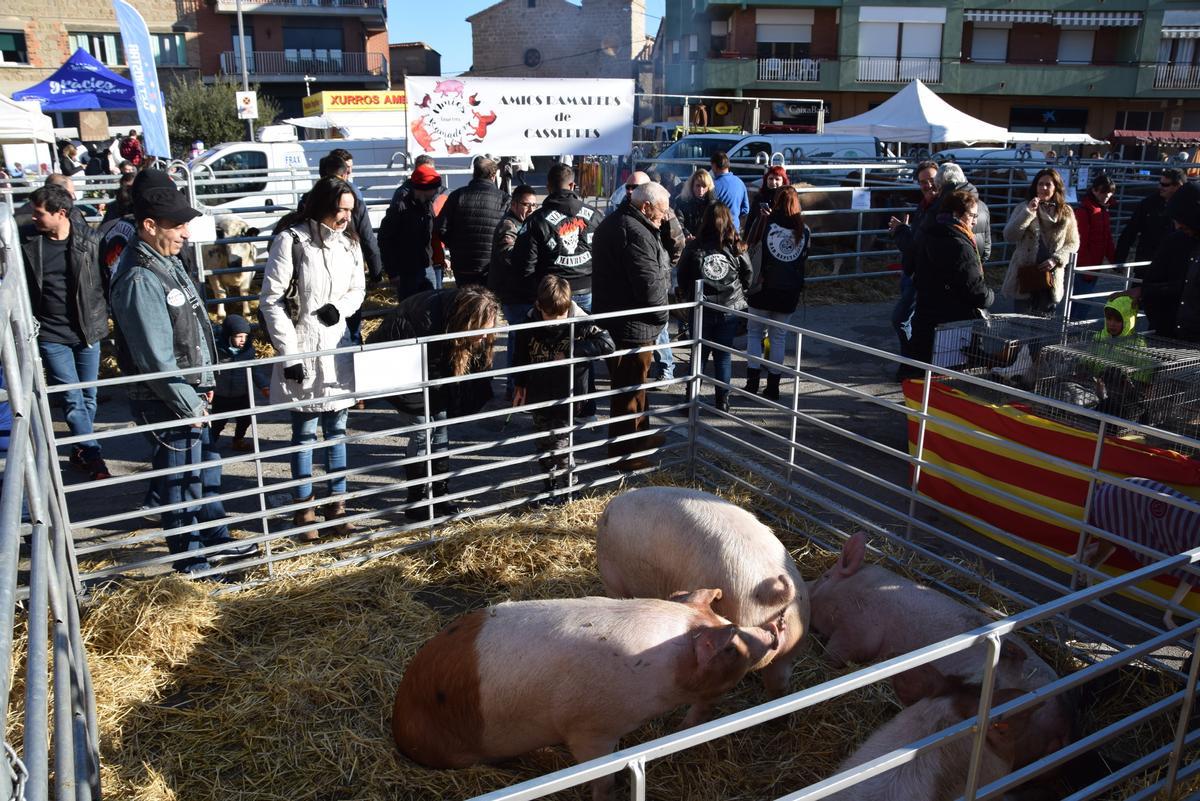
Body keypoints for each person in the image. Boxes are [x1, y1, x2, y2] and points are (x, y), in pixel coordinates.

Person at [110, 169, 255, 575]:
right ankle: (190, 562)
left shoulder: (163, 260)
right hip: (168, 399)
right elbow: (156, 358)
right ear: (150, 225)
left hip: (186, 392)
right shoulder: (140, 275)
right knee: (179, 482)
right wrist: (190, 399)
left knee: (198, 474)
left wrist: (203, 384)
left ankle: (213, 541)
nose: (187, 233)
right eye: (178, 224)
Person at [260, 177, 365, 542]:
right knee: (304, 434)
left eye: (350, 212)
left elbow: (358, 288)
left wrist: (341, 308)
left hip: (336, 347)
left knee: (337, 432)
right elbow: (271, 300)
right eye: (341, 210)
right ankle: (303, 509)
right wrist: (288, 352)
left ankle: (338, 506)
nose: (346, 219)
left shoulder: (350, 244)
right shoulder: (291, 241)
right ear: (324, 206)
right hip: (302, 344)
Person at [370, 286, 500, 520]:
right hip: (403, 368)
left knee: (440, 428)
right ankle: (417, 498)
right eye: (481, 331)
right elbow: (400, 360)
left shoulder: (460, 322)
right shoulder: (427, 320)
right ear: (468, 321)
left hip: (434, 371)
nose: (484, 337)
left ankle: (440, 493)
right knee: (422, 431)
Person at [20, 184, 110, 479]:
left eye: (38, 213)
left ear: (61, 213)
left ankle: (79, 448)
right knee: (71, 397)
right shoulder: (28, 243)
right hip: (50, 333)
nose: (33, 218)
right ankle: (94, 456)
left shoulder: (92, 241)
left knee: (89, 396)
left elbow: (105, 283)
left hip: (87, 330)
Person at [511, 162, 604, 413]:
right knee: (585, 346)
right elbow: (606, 254)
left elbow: (524, 264)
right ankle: (587, 406)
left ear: (549, 187)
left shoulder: (536, 219)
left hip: (552, 295)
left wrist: (536, 295)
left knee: (548, 351)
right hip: (585, 291)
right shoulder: (594, 214)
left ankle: (551, 407)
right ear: (573, 186)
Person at [511, 275, 614, 498]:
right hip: (538, 392)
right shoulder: (528, 324)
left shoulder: (581, 322)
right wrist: (519, 385)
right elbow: (520, 357)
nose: (556, 321)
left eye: (561, 315)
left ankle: (569, 487)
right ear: (538, 305)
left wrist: (571, 352)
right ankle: (550, 487)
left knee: (559, 443)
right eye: (550, 316)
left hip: (567, 393)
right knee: (542, 443)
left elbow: (607, 344)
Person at [593, 182, 672, 470]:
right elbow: (649, 286)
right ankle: (626, 452)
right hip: (632, 323)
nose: (665, 216)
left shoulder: (621, 223)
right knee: (629, 388)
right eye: (662, 210)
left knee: (635, 386)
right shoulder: (634, 232)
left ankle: (638, 440)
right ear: (646, 206)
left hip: (623, 320)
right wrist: (664, 315)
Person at [677, 203, 752, 412]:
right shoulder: (736, 245)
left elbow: (682, 276)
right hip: (729, 308)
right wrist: (738, 293)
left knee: (699, 355)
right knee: (723, 356)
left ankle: (691, 400)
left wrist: (687, 295)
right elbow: (748, 274)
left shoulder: (694, 247)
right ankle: (723, 401)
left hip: (702, 308)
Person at [907, 189, 995, 366]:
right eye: (971, 215)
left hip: (926, 318)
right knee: (948, 376)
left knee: (924, 373)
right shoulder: (961, 245)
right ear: (957, 214)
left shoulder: (927, 234)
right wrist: (990, 295)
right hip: (953, 326)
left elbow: (910, 267)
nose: (975, 221)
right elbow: (975, 291)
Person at [744, 185, 810, 400]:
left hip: (763, 287)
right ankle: (773, 387)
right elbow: (804, 258)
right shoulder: (804, 230)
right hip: (788, 291)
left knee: (755, 333)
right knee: (779, 337)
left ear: (776, 202)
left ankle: (752, 383)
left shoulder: (766, 224)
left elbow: (750, 246)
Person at [1002, 168, 1081, 314]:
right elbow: (1009, 236)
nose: (1043, 188)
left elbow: (1073, 243)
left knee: (1044, 326)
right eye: (1040, 184)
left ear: (1056, 187)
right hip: (1026, 276)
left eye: (1048, 185)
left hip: (1049, 278)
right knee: (1020, 324)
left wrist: (1056, 259)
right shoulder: (1023, 207)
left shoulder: (1066, 212)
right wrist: (1028, 213)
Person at [1129, 180, 1200, 342]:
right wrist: (1144, 291)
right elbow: (1168, 281)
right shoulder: (1174, 241)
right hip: (1166, 331)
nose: (1178, 226)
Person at [487, 185, 539, 399]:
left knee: (521, 339)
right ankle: (513, 388)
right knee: (518, 340)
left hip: (520, 290)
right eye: (527, 204)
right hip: (513, 293)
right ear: (515, 204)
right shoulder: (509, 225)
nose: (531, 209)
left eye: (534, 205)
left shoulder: (525, 223)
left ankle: (517, 387)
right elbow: (510, 257)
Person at [888, 160, 940, 364]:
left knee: (901, 319)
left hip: (924, 275)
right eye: (922, 182)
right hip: (913, 272)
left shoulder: (937, 209)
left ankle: (911, 362)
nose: (928, 185)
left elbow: (917, 246)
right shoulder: (924, 206)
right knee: (909, 320)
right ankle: (911, 361)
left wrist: (902, 232)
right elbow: (916, 243)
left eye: (931, 180)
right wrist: (905, 230)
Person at [437, 157, 509, 288]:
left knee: (465, 302)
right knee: (488, 303)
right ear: (493, 176)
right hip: (491, 266)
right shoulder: (504, 199)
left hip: (463, 264)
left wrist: (455, 245)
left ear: (474, 173)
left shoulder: (457, 195)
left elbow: (441, 228)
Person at [379, 162, 444, 301]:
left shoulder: (427, 205)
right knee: (410, 310)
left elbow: (433, 234)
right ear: (422, 189)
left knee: (432, 307)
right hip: (407, 271)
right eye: (433, 190)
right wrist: (392, 272)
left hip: (427, 266)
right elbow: (384, 239)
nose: (435, 193)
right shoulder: (400, 208)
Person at [209, 314, 267, 451]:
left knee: (245, 419)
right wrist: (208, 387)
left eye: (245, 336)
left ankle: (238, 440)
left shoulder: (248, 352)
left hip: (242, 393)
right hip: (221, 394)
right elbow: (209, 370)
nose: (243, 340)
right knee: (218, 423)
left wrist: (264, 385)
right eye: (239, 336)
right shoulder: (217, 352)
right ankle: (209, 445)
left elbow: (256, 370)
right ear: (229, 335)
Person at [1116, 168, 1185, 266]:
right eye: (1160, 183)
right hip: (1147, 258)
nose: (1160, 187)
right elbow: (1131, 230)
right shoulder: (1149, 204)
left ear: (1178, 186)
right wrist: (1120, 258)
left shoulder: (1188, 206)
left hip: (1175, 262)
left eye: (1165, 185)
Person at [1072, 172, 1117, 319]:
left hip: (1093, 265)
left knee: (1080, 302)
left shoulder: (1102, 210)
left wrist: (1114, 261)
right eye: (1104, 192)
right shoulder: (1085, 211)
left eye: (1110, 192)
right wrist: (1086, 269)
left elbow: (1107, 238)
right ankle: (1072, 334)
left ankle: (1070, 333)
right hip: (1086, 266)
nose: (1107, 195)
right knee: (1082, 302)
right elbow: (1081, 242)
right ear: (1094, 190)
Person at [745, 165, 790, 245]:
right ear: (766, 180)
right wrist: (745, 240)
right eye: (771, 178)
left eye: (777, 179)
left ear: (783, 181)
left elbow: (790, 221)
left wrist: (772, 216)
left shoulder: (787, 198)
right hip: (760, 240)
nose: (773, 182)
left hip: (779, 241)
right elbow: (750, 220)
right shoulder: (759, 197)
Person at [673, 169, 716, 239]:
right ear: (692, 186)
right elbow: (678, 223)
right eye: (698, 186)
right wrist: (686, 234)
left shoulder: (713, 205)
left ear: (709, 187)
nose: (701, 190)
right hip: (687, 242)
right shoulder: (681, 202)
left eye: (704, 186)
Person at [710, 151, 749, 227]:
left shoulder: (713, 185)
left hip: (718, 230)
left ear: (714, 165)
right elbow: (746, 209)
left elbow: (709, 210)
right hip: (734, 229)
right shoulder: (740, 182)